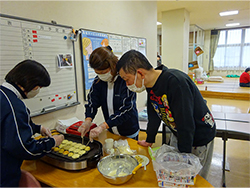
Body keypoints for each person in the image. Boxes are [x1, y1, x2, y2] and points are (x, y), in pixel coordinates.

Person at [117, 50, 216, 179]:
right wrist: (150, 139)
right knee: (176, 176)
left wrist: (184, 160)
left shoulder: (175, 82)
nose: (127, 84)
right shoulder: (150, 84)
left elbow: (186, 124)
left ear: (140, 73)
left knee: (193, 178)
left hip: (200, 135)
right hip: (179, 133)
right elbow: (153, 112)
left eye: (126, 79)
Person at [0, 60, 64, 187]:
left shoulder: (3, 95)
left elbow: (10, 127)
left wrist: (37, 128)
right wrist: (52, 142)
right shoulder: (14, 106)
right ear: (30, 83)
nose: (37, 90)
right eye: (38, 87)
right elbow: (25, 148)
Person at [78, 46, 140, 141]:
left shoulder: (125, 80)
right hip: (111, 130)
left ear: (113, 65)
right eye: (97, 73)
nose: (101, 75)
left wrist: (103, 126)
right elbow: (92, 101)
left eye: (103, 72)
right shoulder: (99, 81)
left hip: (128, 130)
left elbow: (126, 109)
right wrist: (88, 120)